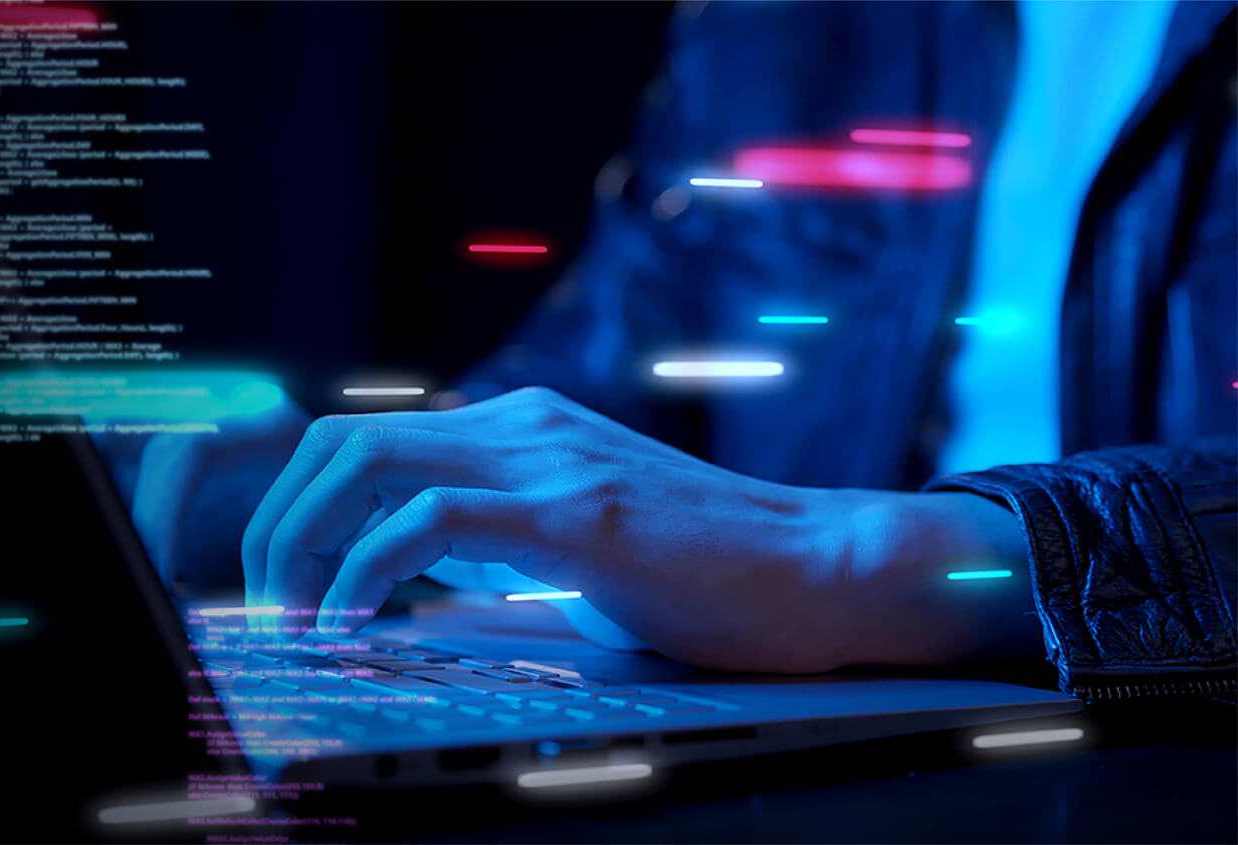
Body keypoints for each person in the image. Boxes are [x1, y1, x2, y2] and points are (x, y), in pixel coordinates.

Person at [105, 1, 1235, 700]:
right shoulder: (774, 25)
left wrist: (848, 551)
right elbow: (599, 394)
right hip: (818, 727)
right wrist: (296, 476)